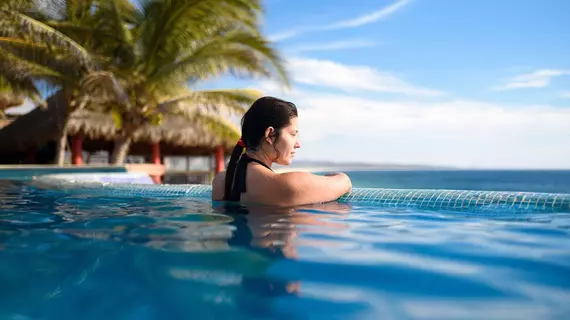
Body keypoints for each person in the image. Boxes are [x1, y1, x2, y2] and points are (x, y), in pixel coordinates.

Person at [212, 96, 352, 206]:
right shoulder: (289, 185)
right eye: (292, 134)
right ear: (270, 135)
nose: (298, 144)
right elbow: (344, 182)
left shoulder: (220, 181)